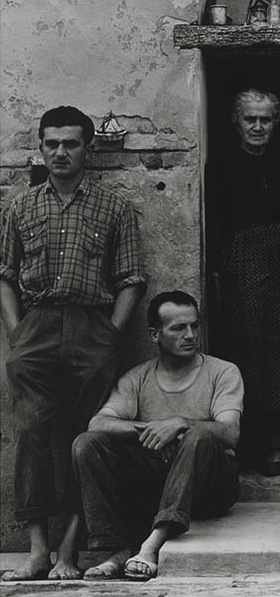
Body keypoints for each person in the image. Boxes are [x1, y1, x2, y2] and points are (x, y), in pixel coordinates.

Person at [0, 106, 146, 581]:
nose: (60, 152)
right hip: (36, 329)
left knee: (88, 439)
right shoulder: (21, 206)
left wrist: (109, 336)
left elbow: (130, 279)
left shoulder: (114, 206)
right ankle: (38, 550)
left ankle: (70, 551)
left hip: (91, 329)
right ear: (40, 148)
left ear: (89, 148)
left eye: (71, 143)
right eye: (51, 144)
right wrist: (17, 333)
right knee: (32, 435)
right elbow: (5, 275)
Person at [71, 291, 243, 581]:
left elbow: (230, 432)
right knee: (86, 445)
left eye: (195, 325)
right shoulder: (137, 377)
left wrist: (179, 424)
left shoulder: (223, 372)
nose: (190, 335)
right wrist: (153, 430)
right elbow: (98, 424)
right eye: (178, 328)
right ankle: (114, 549)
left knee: (198, 435)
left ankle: (153, 544)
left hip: (212, 487)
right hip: (157, 484)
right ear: (155, 335)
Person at [208, 87, 280, 477]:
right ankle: (269, 442)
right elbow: (216, 227)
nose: (257, 126)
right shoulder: (220, 164)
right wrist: (219, 279)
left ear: (276, 123)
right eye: (249, 119)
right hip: (244, 262)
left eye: (265, 119)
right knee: (252, 347)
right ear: (236, 122)